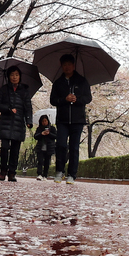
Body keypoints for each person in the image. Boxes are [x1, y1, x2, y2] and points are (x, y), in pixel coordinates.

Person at [50, 54, 92, 183]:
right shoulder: (58, 83)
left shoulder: (82, 81)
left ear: (74, 66)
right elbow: (53, 100)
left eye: (69, 64)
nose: (67, 67)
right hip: (62, 120)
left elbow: (88, 98)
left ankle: (72, 174)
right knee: (61, 145)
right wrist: (64, 99)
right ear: (61, 66)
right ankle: (59, 171)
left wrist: (77, 99)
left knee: (74, 147)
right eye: (64, 65)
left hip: (77, 120)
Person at [0, 67, 33, 182]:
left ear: (20, 76)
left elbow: (28, 107)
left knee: (15, 150)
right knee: (4, 148)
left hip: (19, 123)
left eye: (16, 74)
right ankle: (3, 170)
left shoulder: (24, 91)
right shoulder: (4, 89)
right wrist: (8, 109)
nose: (14, 77)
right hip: (5, 122)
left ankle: (12, 172)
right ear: (8, 76)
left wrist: (29, 121)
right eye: (12, 75)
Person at [33, 115, 57, 179]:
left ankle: (45, 175)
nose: (44, 122)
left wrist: (49, 134)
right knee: (40, 161)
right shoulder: (39, 129)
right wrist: (41, 134)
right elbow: (35, 136)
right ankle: (39, 174)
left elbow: (55, 136)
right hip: (40, 147)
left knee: (47, 161)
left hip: (49, 147)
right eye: (42, 121)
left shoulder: (52, 128)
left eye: (45, 121)